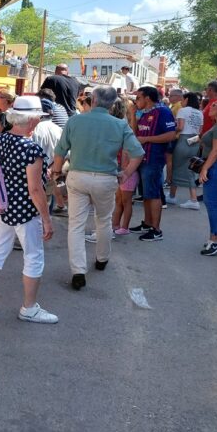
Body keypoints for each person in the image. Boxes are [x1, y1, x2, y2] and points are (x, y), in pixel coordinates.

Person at [0, 96, 57, 323]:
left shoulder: (0, 140)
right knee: (34, 256)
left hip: (3, 205)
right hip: (25, 210)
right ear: (32, 119)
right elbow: (35, 189)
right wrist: (47, 219)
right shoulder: (31, 149)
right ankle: (29, 308)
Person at [53, 86, 144, 290]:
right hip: (106, 178)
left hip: (78, 176)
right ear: (112, 103)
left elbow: (60, 150)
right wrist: (126, 173)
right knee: (103, 220)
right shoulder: (120, 124)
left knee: (76, 224)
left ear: (93, 99)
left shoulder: (75, 121)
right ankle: (102, 258)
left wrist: (57, 171)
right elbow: (138, 153)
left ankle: (78, 270)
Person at [131, 86, 176, 241]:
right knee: (146, 194)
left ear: (147, 98)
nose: (136, 101)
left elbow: (171, 135)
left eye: (138, 98)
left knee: (154, 193)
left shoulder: (163, 112)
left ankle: (156, 230)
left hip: (154, 158)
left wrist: (147, 139)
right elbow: (135, 134)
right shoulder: (144, 113)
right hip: (141, 158)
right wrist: (133, 116)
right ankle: (147, 223)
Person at [199, 98, 217, 256]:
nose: (212, 106)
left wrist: (205, 168)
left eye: (215, 105)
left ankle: (215, 239)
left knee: (212, 203)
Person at [167, 92, 203, 209]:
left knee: (176, 167)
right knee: (190, 169)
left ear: (187, 99)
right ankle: (192, 198)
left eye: (182, 99)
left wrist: (171, 130)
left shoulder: (183, 111)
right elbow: (200, 131)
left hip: (183, 140)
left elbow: (180, 127)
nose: (181, 102)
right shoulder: (200, 113)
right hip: (195, 141)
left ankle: (173, 196)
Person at [110, 97, 140, 235]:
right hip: (123, 171)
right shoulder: (124, 127)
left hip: (128, 172)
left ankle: (124, 227)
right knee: (119, 200)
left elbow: (131, 153)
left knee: (126, 201)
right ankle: (116, 225)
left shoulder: (127, 133)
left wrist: (125, 169)